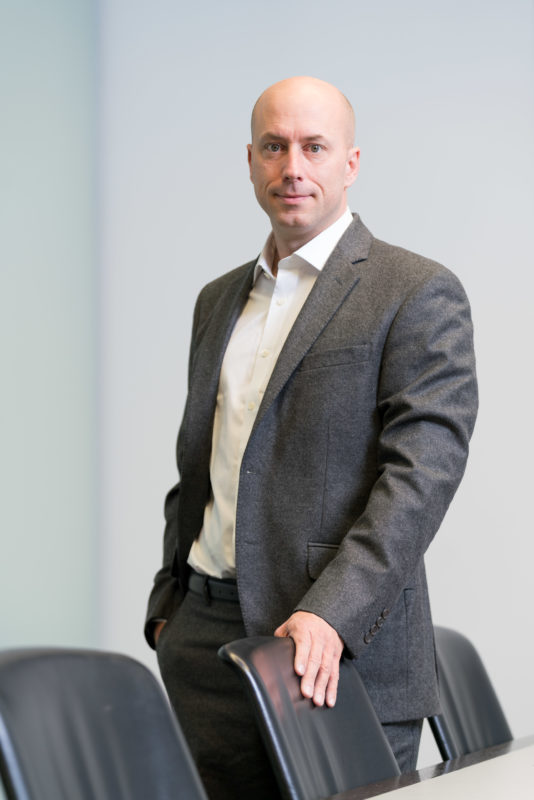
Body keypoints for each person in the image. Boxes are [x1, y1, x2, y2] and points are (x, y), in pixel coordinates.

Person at [145, 76, 478, 798]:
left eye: (313, 146)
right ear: (251, 159)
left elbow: (421, 476)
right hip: (203, 642)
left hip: (331, 652)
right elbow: (204, 460)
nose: (292, 166)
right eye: (274, 146)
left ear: (349, 162)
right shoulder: (217, 300)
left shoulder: (415, 291)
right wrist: (168, 606)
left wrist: (331, 612)